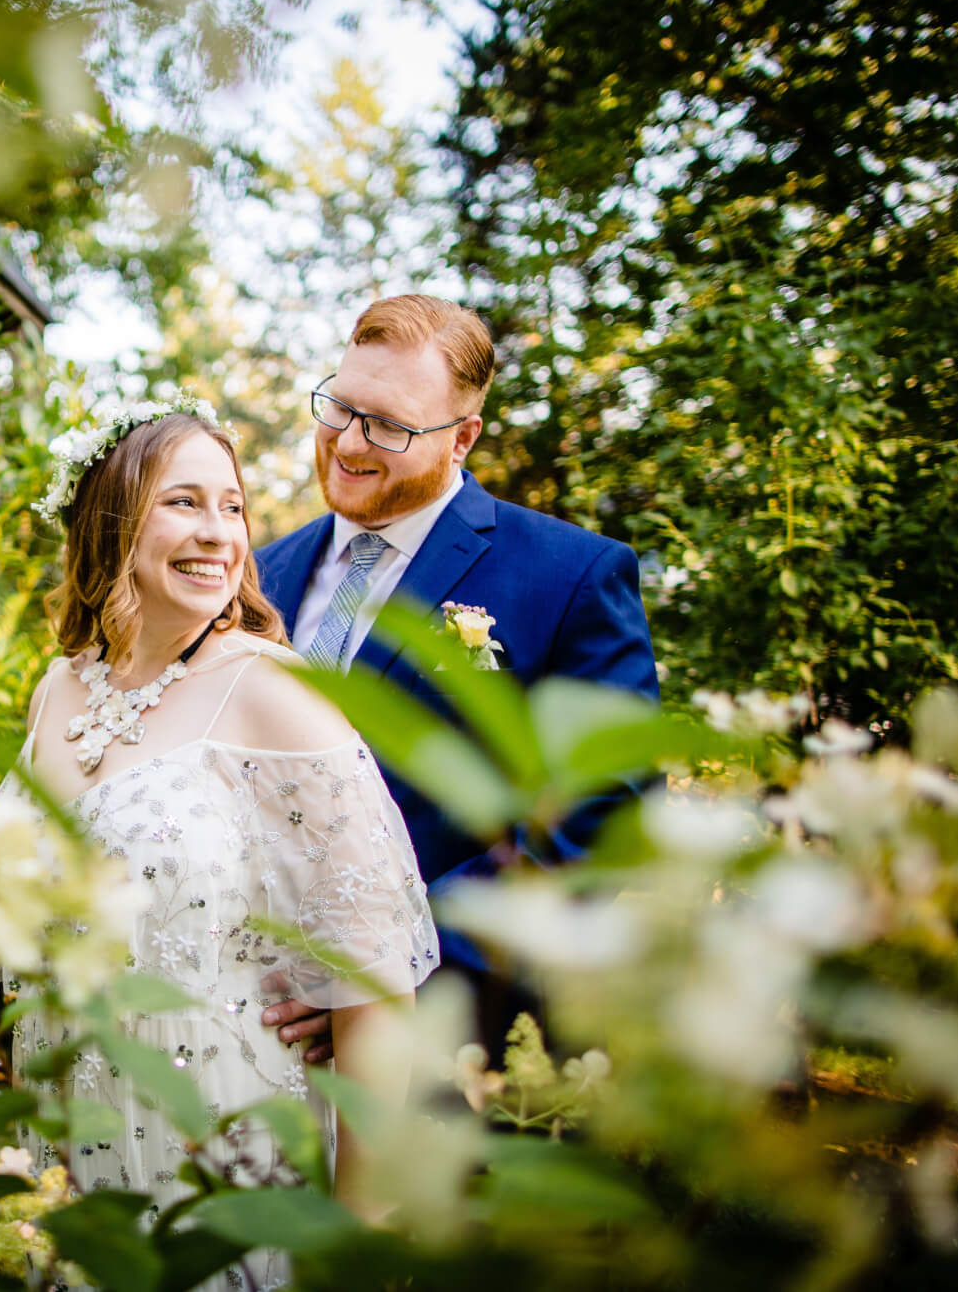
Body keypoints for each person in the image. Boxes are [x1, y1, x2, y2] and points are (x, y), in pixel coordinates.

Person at [3, 398, 438, 1268]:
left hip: (225, 1146)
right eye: (182, 502)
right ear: (111, 518)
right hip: (73, 1159)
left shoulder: (274, 690)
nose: (217, 533)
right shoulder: (58, 690)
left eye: (231, 505)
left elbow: (376, 982)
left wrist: (359, 1244)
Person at [253, 295, 658, 1051]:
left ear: (463, 437)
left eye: (390, 426)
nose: (348, 442)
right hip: (249, 1034)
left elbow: (608, 816)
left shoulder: (571, 576)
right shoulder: (260, 572)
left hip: (453, 1045)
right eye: (339, 407)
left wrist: (389, 972)